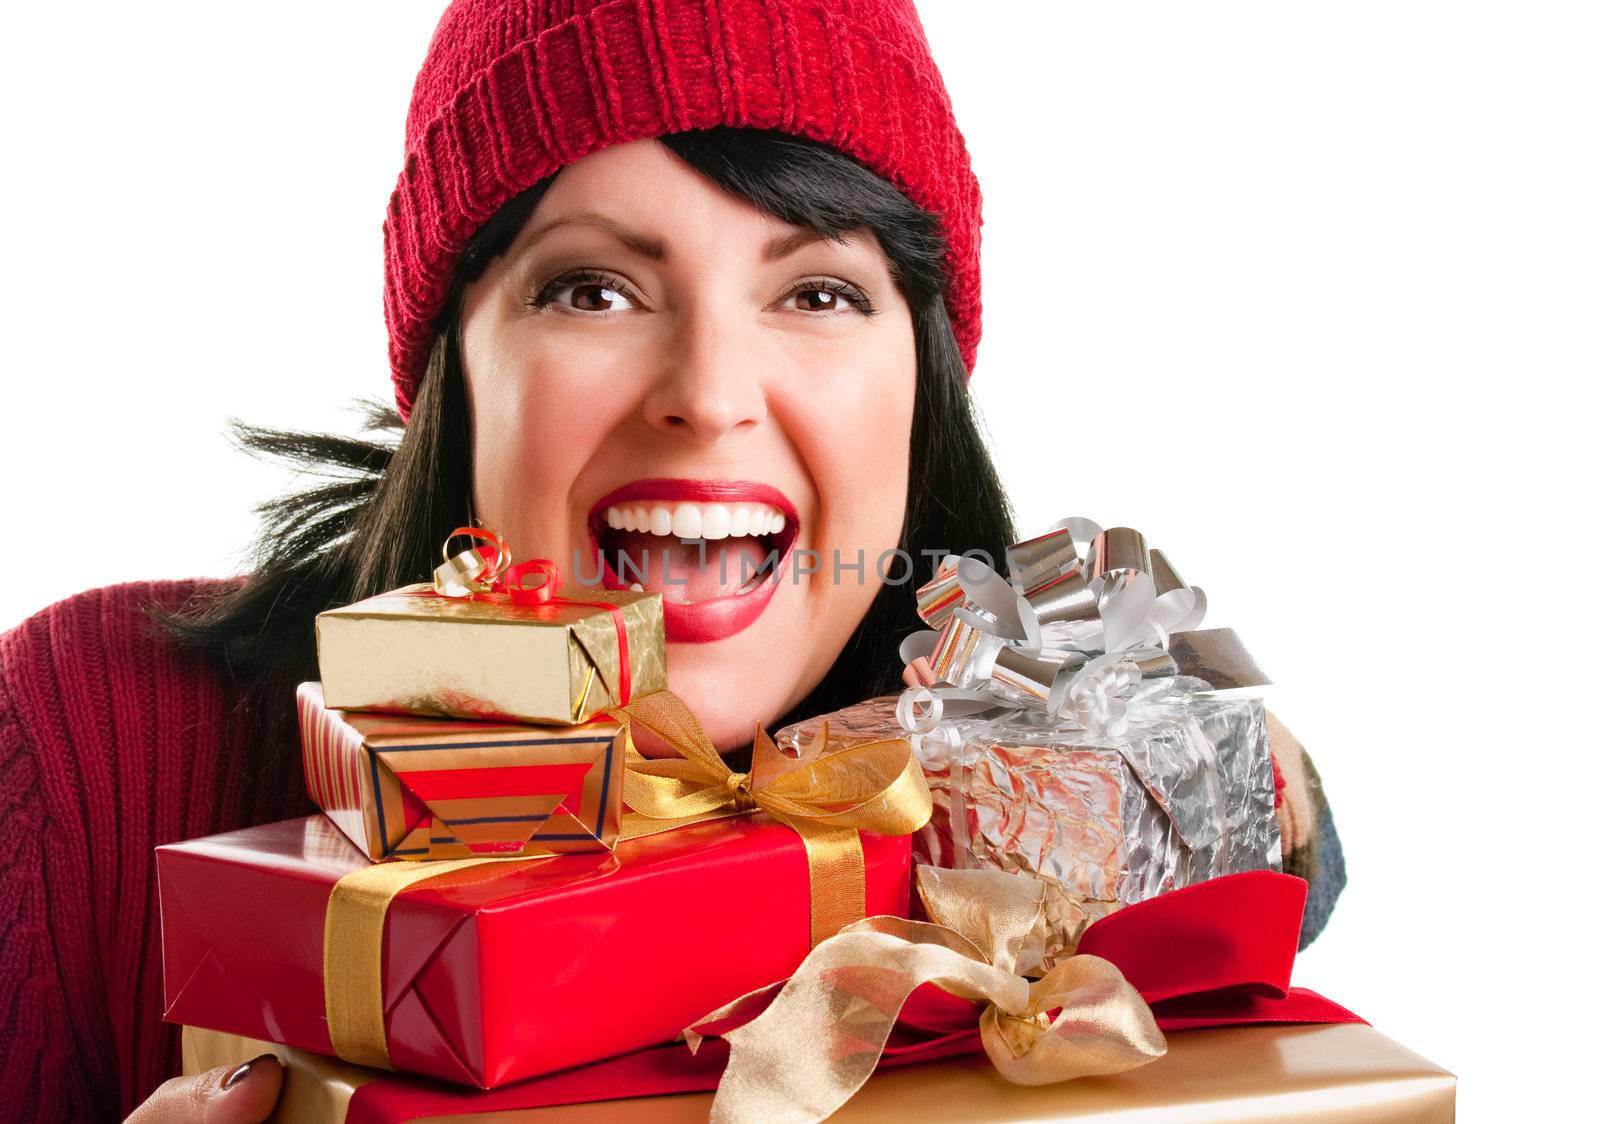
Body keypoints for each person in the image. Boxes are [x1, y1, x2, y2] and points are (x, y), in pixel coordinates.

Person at [0, 2, 1343, 1120]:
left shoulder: (1005, 802)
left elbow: (1286, 906)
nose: (708, 393)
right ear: (450, 375)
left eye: (816, 293)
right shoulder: (82, 746)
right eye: (592, 288)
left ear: (920, 387)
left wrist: (1250, 785)